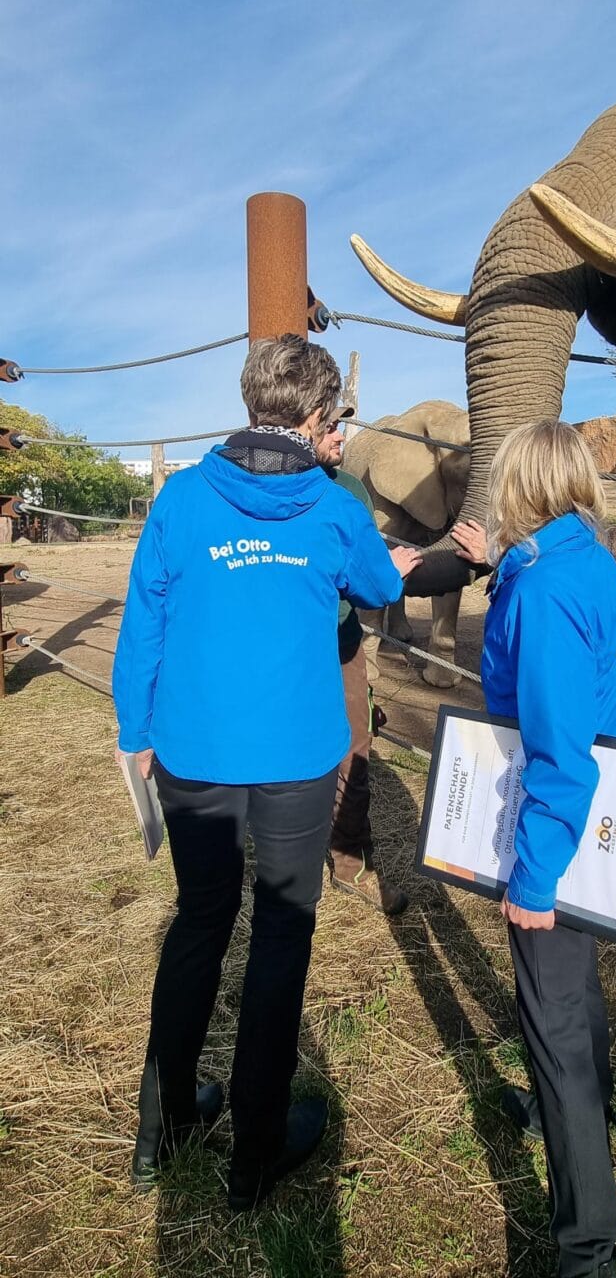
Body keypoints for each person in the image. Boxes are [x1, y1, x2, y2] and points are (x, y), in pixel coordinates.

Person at [113, 334, 420, 1209]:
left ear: (249, 402)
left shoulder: (180, 501)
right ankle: (254, 1150)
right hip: (292, 756)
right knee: (282, 930)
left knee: (201, 919)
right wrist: (392, 566)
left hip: (191, 752)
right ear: (318, 418)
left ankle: (165, 1126)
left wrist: (136, 730)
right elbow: (377, 590)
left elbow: (144, 624)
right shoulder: (332, 508)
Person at [453, 421, 616, 1278]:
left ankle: (584, 1247)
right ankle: (593, 1114)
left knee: (551, 1015)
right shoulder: (582, 559)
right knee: (577, 991)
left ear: (518, 485)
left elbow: (558, 753)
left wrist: (531, 876)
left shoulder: (545, 588)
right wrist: (500, 565)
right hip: (591, 821)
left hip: (556, 823)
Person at [314, 414, 410, 915]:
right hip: (289, 647)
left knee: (355, 751)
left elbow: (370, 570)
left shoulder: (350, 487)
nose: (341, 434)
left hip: (344, 640)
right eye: (327, 423)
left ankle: (351, 864)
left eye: (341, 423)